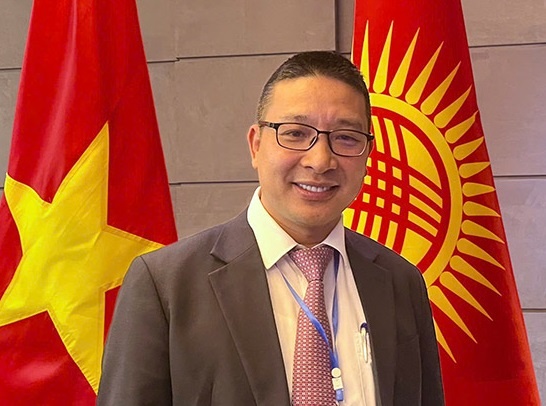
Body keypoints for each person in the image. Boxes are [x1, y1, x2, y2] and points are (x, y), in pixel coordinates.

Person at [98, 51, 444, 406]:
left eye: (346, 138)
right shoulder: (168, 285)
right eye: (295, 133)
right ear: (256, 145)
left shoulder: (400, 282)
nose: (320, 161)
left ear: (367, 154)